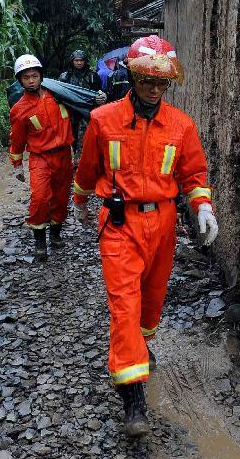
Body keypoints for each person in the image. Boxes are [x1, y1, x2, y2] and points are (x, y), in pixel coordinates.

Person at [72, 35, 219, 438]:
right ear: (133, 78)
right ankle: (133, 398)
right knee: (124, 306)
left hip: (164, 223)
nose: (154, 89)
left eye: (161, 82)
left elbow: (193, 173)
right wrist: (80, 201)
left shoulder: (181, 125)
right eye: (147, 81)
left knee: (152, 301)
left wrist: (203, 206)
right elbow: (87, 168)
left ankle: (141, 345)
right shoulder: (103, 120)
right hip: (119, 223)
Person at [8, 54, 74, 262]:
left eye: (34, 76)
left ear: (41, 76)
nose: (31, 81)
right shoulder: (19, 110)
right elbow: (17, 139)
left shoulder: (58, 96)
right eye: (26, 77)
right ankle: (39, 241)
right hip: (40, 158)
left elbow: (80, 101)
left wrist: (95, 100)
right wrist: (17, 164)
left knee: (61, 197)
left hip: (64, 155)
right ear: (20, 80)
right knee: (40, 197)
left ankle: (55, 234)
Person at [59, 49, 106, 153]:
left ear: (85, 61)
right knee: (73, 137)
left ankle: (83, 157)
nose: (79, 63)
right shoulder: (65, 76)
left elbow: (98, 91)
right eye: (76, 60)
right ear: (72, 61)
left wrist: (102, 97)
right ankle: (76, 153)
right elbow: (60, 94)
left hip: (87, 111)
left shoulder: (92, 76)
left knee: (86, 138)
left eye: (81, 60)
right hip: (71, 111)